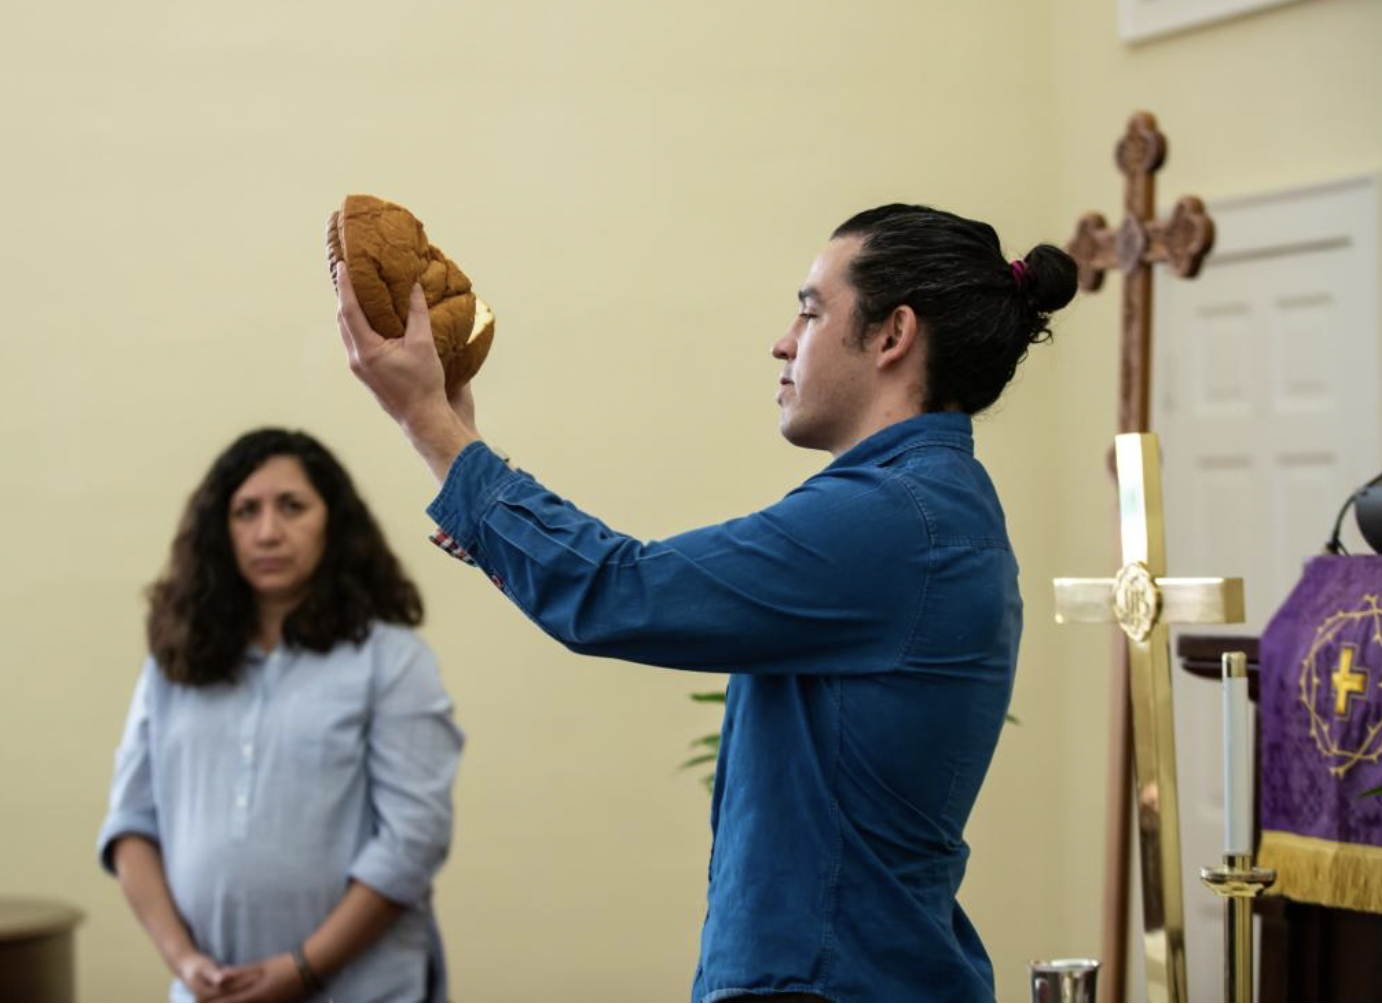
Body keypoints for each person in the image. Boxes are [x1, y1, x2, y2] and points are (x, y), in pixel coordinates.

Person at [336, 203, 1077, 1002]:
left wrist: (427, 425)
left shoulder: (898, 520)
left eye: (810, 310)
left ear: (893, 335)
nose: (783, 340)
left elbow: (620, 591)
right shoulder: (923, 508)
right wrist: (459, 445)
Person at [98, 428, 463, 1003]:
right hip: (210, 992)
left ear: (333, 523)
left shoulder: (390, 661)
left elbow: (412, 842)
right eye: (246, 511)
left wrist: (302, 970)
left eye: (292, 506)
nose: (268, 532)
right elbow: (132, 827)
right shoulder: (174, 666)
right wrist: (188, 965)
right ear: (220, 530)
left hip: (362, 989)